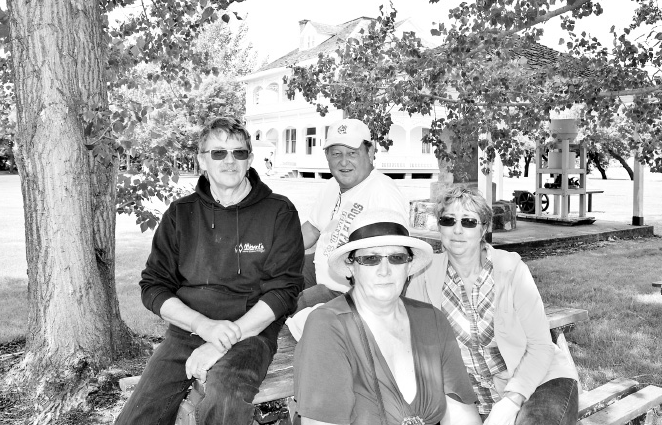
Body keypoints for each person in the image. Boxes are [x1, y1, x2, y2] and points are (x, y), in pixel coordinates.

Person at [116, 117, 304, 425]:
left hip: (250, 332)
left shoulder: (279, 212)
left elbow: (284, 291)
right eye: (218, 153)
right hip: (189, 328)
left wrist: (220, 341)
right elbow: (153, 286)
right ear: (202, 160)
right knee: (136, 418)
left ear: (250, 159)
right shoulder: (180, 214)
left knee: (225, 401)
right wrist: (204, 327)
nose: (229, 161)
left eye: (238, 153)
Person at [406, 186, 579, 425]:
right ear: (439, 226)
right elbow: (414, 349)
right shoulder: (423, 277)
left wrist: (511, 401)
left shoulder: (512, 270)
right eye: (448, 220)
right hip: (470, 398)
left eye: (468, 221)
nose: (457, 230)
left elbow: (541, 346)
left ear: (484, 228)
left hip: (539, 381)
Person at [294, 209, 481, 425]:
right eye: (370, 259)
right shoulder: (327, 326)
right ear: (350, 267)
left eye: (397, 258)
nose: (385, 270)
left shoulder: (432, 320)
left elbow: (462, 417)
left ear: (409, 266)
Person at [297, 118, 409, 310]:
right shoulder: (332, 186)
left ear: (370, 152)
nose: (343, 161)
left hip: (349, 291)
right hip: (320, 272)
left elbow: (394, 260)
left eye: (352, 153)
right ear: (327, 156)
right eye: (336, 154)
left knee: (286, 304)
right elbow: (312, 229)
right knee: (269, 280)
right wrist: (274, 251)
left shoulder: (382, 193)